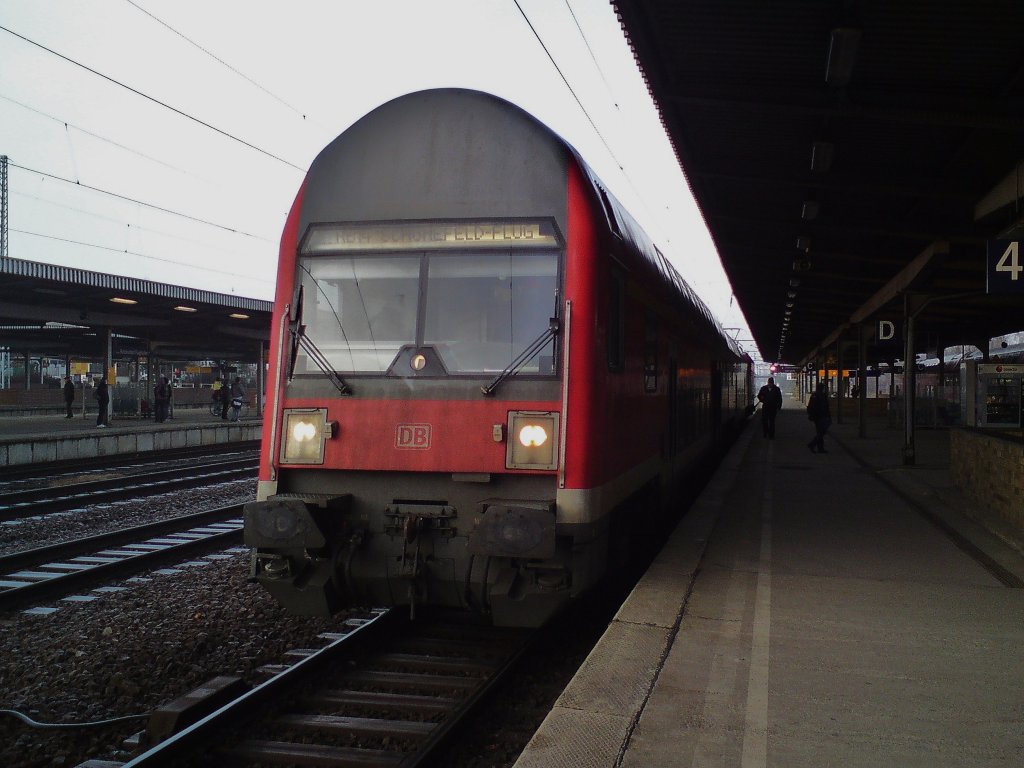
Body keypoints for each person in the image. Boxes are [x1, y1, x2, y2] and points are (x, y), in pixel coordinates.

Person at [806, 382, 832, 453]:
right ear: (822, 388)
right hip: (822, 416)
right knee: (822, 432)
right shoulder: (822, 396)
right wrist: (828, 416)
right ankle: (813, 444)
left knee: (820, 432)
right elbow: (825, 407)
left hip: (817, 417)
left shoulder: (814, 395)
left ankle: (820, 448)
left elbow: (810, 406)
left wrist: (811, 415)